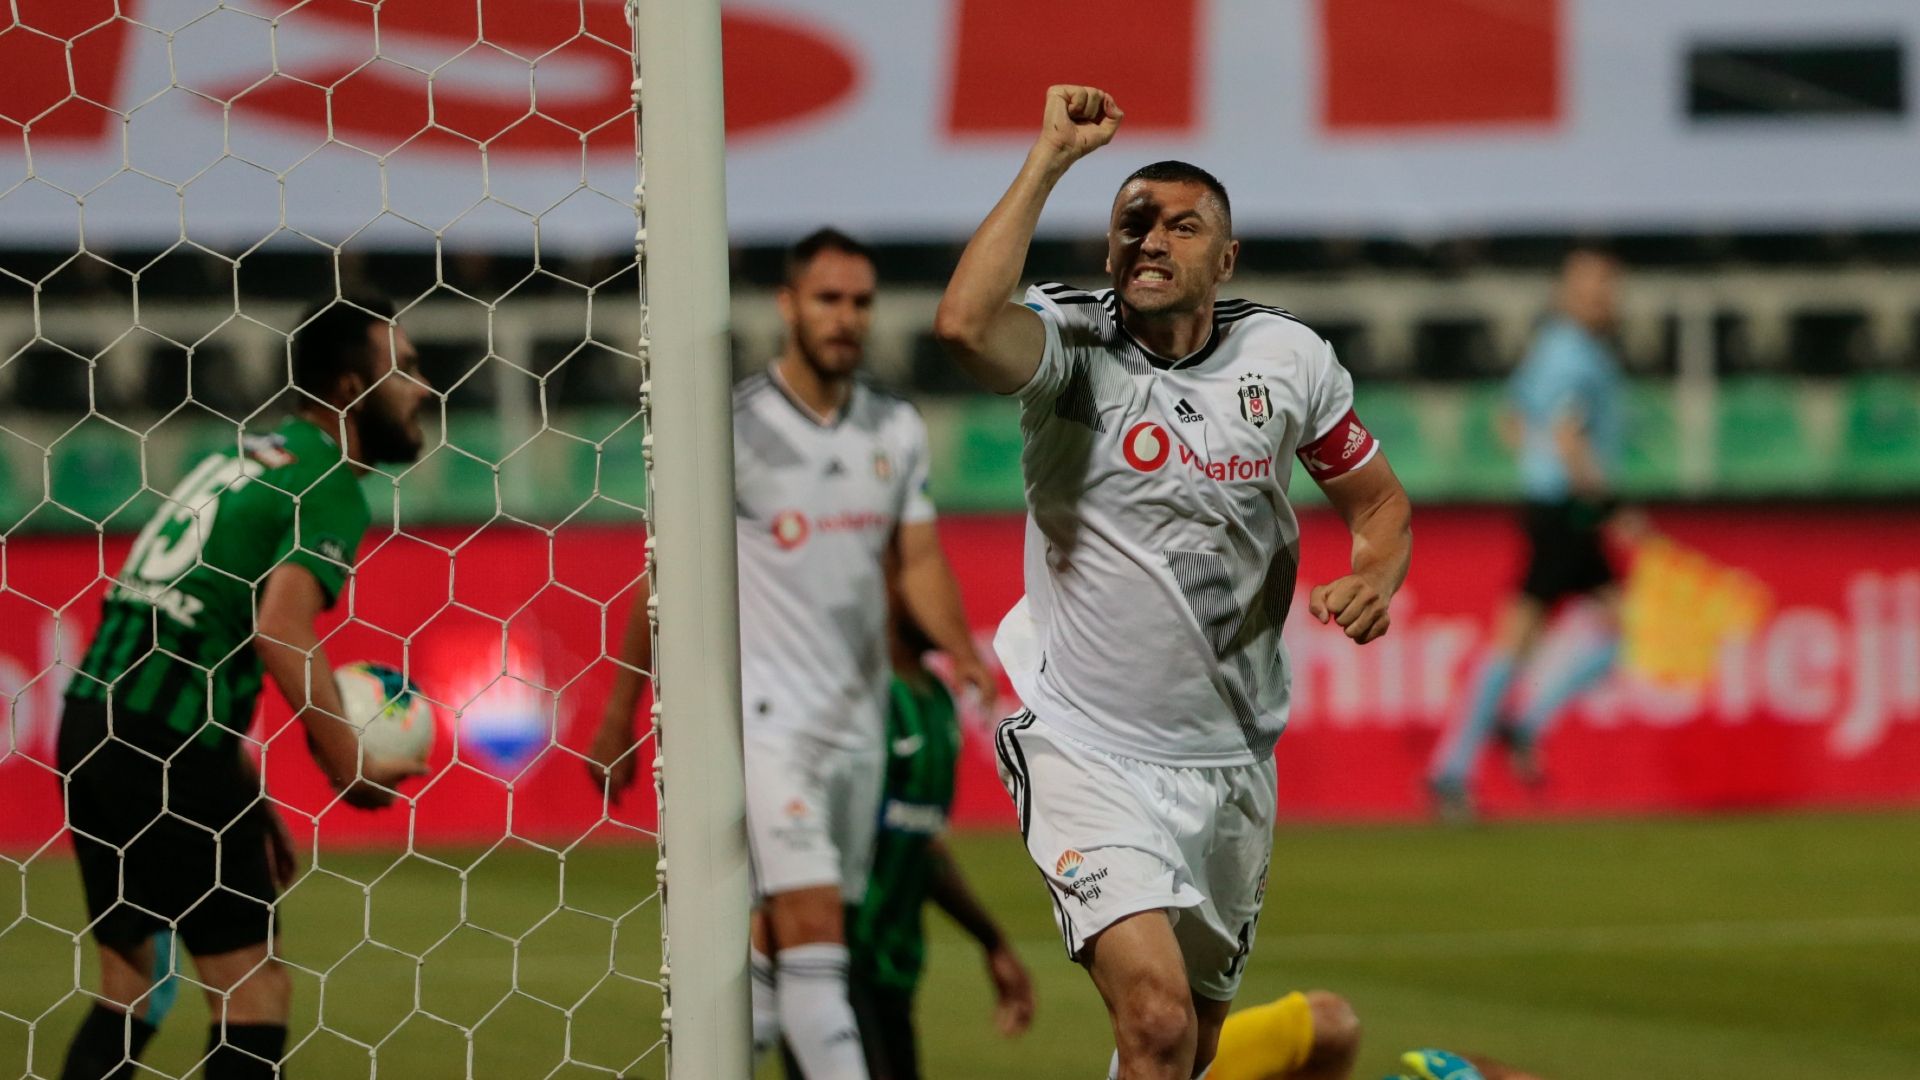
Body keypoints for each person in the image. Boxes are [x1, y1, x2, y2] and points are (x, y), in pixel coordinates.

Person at [933, 86, 1414, 1080]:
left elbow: (1379, 508)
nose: (1151, 240)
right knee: (1153, 1021)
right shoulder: (1070, 346)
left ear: (1225, 259)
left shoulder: (1288, 360)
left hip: (1231, 764)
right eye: (1132, 224)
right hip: (1088, 749)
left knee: (1178, 1051)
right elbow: (965, 326)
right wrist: (1050, 158)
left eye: (1180, 226)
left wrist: (1374, 577)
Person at [587, 228, 994, 1079]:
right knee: (817, 938)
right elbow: (661, 576)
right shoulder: (734, 429)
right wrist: (623, 712)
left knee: (783, 947)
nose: (846, 318)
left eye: (859, 302)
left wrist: (962, 651)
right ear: (788, 306)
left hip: (860, 727)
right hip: (769, 724)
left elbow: (916, 559)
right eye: (827, 299)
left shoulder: (895, 426)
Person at [56, 297, 433, 1080]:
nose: (423, 388)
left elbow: (191, 618)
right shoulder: (329, 482)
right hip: (167, 742)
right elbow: (280, 629)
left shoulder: (241, 455)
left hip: (93, 723)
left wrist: (240, 790)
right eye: (403, 369)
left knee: (139, 982)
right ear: (347, 387)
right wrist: (350, 766)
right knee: (253, 990)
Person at [776, 607, 1034, 1080]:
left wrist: (992, 942)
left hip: (894, 966)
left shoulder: (936, 700)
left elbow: (924, 844)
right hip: (832, 964)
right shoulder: (857, 703)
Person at [1426, 249, 1632, 820]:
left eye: (1608, 288)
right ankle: (1472, 755)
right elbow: (1567, 433)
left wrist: (1536, 463)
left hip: (1552, 504)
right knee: (1551, 636)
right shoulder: (1576, 354)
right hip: (1569, 507)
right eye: (1593, 289)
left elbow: (1510, 418)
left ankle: (1479, 750)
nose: (1603, 299)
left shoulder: (1551, 346)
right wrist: (1606, 501)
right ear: (1569, 293)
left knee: (1586, 631)